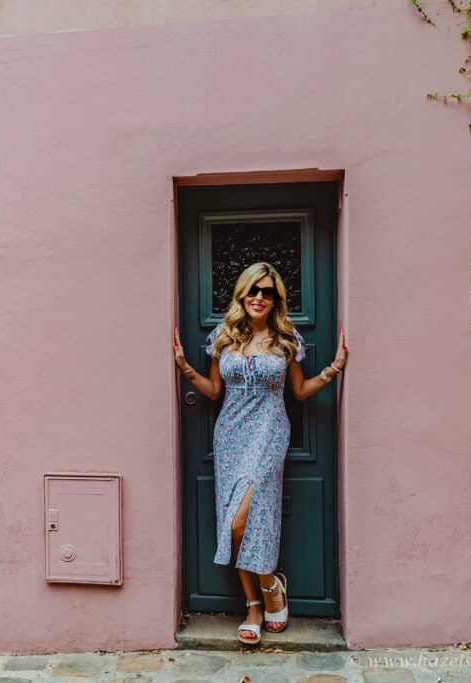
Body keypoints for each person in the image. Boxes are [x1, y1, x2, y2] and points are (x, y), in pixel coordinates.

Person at [173, 262, 347, 645]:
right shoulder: (223, 335)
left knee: (245, 519)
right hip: (229, 434)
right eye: (253, 290)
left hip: (269, 431)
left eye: (267, 292)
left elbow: (298, 392)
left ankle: (271, 588)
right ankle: (254, 606)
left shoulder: (286, 339)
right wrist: (185, 367)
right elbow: (214, 391)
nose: (259, 297)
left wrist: (333, 369)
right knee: (233, 524)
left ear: (276, 299)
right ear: (242, 293)